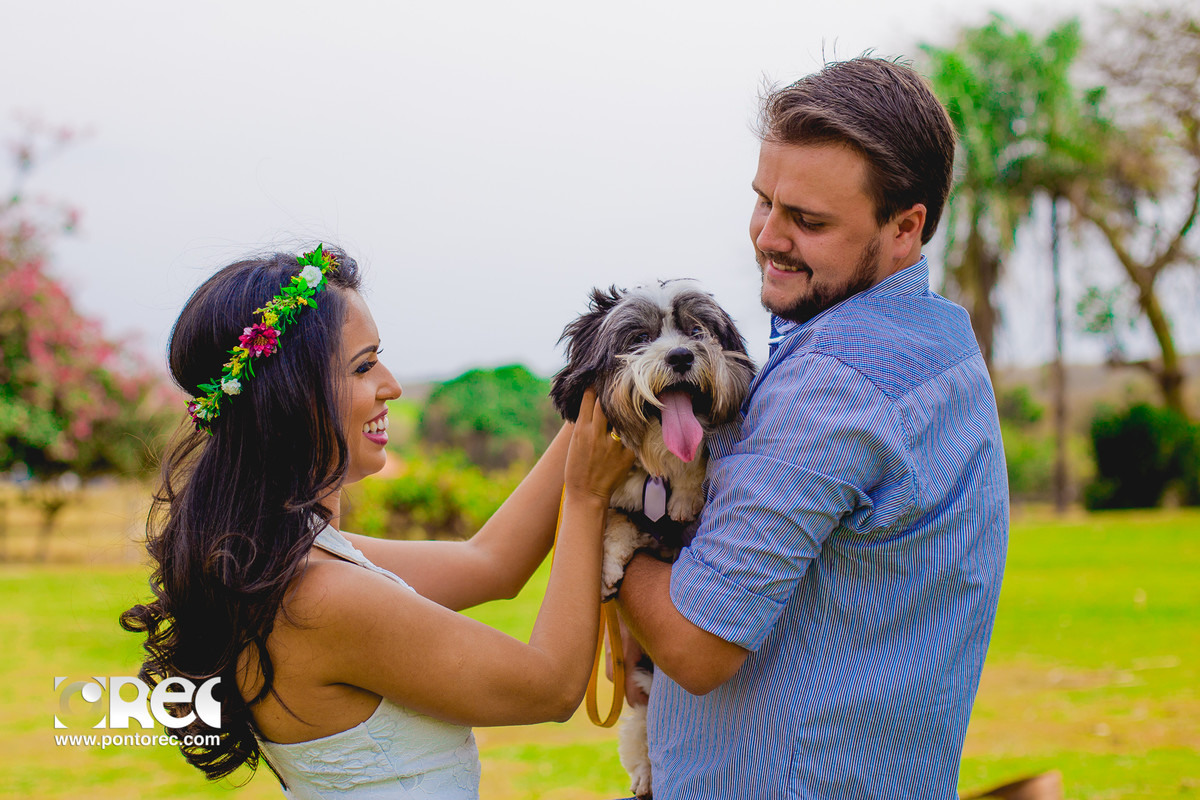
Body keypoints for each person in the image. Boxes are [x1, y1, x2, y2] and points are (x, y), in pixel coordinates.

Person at [613, 57, 1009, 799]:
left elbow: (698, 646)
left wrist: (616, 554)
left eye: (809, 221)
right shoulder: (941, 343)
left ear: (906, 225)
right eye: (764, 201)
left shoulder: (835, 379)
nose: (768, 237)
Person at [121, 245, 634, 798]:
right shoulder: (317, 597)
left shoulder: (282, 559)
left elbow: (492, 565)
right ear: (292, 396)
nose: (390, 384)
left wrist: (598, 382)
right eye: (364, 366)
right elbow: (551, 687)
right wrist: (586, 495)